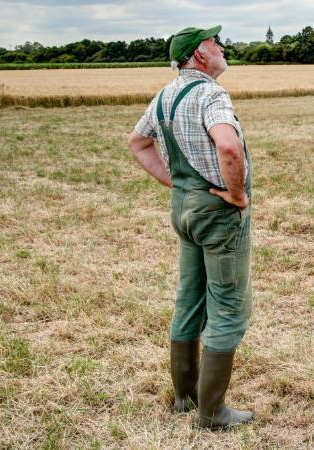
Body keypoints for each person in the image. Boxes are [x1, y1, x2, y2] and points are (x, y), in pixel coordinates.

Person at [126, 25, 253, 429]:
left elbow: (138, 142)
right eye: (215, 43)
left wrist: (176, 184)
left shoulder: (164, 96)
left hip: (183, 209)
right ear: (200, 56)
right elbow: (228, 146)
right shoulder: (210, 94)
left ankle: (185, 398)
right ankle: (212, 413)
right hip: (215, 212)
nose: (221, 47)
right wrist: (235, 195)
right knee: (228, 306)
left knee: (190, 298)